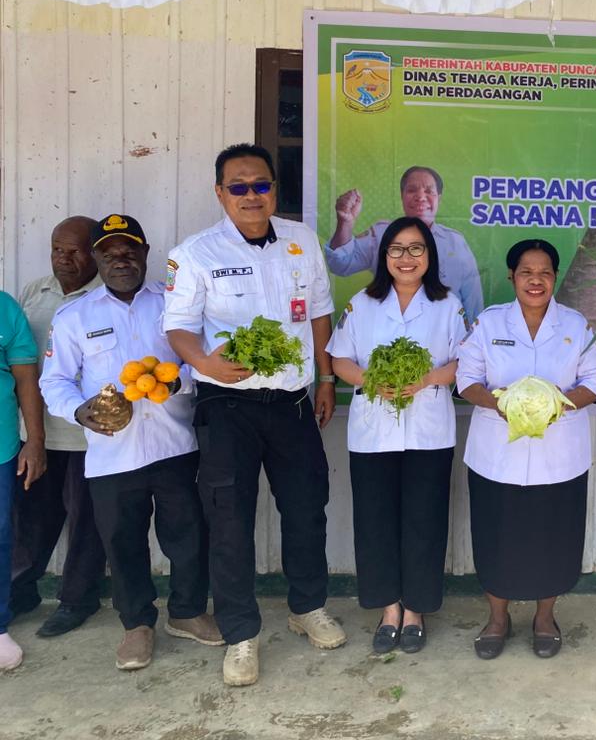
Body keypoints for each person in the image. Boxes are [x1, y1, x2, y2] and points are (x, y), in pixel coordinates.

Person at [164, 143, 345, 688]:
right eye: (238, 186)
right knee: (229, 521)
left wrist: (326, 377)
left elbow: (319, 312)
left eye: (260, 184)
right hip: (227, 406)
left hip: (292, 402)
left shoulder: (300, 240)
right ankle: (241, 633)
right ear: (220, 193)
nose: (251, 195)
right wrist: (203, 362)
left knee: (307, 508)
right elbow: (178, 327)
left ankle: (307, 607)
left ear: (274, 189)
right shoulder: (194, 254)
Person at [40, 214, 222, 672]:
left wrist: (177, 382)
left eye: (129, 251)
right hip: (112, 454)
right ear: (96, 259)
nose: (120, 260)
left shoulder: (173, 305)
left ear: (144, 253)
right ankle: (137, 625)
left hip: (175, 444)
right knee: (122, 543)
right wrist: (79, 410)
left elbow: (203, 360)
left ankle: (187, 612)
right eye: (109, 253)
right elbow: (54, 381)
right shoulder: (75, 316)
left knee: (188, 535)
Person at [457, 239, 596, 660]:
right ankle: (497, 619)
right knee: (495, 537)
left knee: (554, 539)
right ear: (512, 277)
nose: (535, 280)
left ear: (555, 277)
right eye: (526, 272)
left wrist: (558, 404)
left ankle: (545, 618)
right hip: (496, 457)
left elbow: (595, 381)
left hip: (559, 458)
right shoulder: (490, 323)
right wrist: (503, 404)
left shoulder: (575, 324)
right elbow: (466, 380)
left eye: (544, 273)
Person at [327, 218, 467, 655]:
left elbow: (465, 362)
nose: (407, 258)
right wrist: (371, 380)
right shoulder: (362, 304)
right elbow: (339, 360)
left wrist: (427, 379)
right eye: (397, 249)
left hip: (429, 433)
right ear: (384, 256)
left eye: (416, 248)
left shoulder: (448, 305)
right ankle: (389, 609)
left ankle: (416, 610)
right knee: (376, 522)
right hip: (373, 435)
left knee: (424, 521)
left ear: (430, 256)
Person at [10, 215, 108, 638]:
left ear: (95, 253)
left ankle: (77, 600)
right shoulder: (34, 292)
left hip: (87, 438)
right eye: (56, 250)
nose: (63, 259)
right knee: (30, 519)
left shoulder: (108, 293)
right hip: (36, 433)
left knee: (86, 523)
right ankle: (20, 591)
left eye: (74, 251)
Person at [325, 166, 484, 323]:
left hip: (445, 331)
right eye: (412, 190)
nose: (420, 197)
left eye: (429, 191)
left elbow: (473, 300)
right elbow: (340, 264)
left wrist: (471, 335)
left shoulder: (455, 242)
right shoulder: (381, 235)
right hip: (390, 330)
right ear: (402, 196)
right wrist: (345, 223)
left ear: (439, 198)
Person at [0, 288, 43, 671]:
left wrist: (35, 441)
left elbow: (26, 379)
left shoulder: (5, 308)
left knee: (0, 536)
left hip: (1, 446)